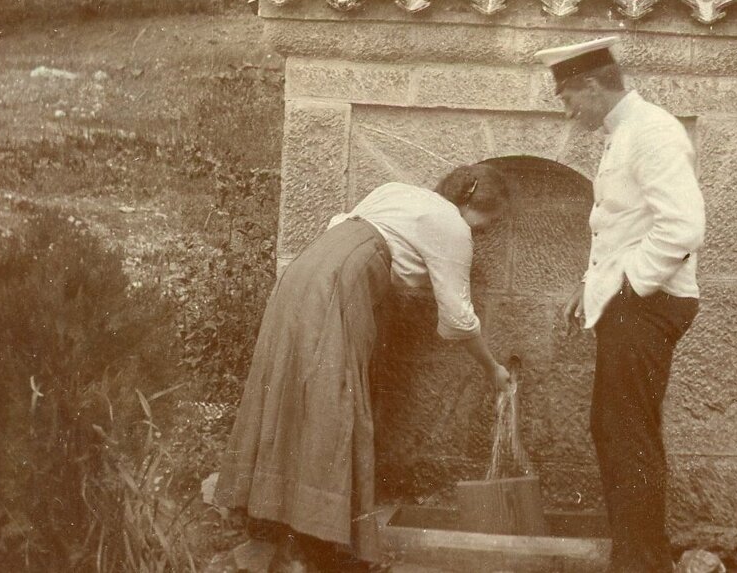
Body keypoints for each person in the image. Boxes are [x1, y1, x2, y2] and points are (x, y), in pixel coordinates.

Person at [214, 164, 513, 572]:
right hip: (341, 283)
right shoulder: (451, 225)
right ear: (470, 203)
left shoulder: (398, 192)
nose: (481, 235)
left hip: (305, 273)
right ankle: (320, 546)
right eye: (485, 226)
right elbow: (457, 320)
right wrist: (492, 368)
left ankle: (278, 530)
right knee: (333, 404)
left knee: (290, 389)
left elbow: (347, 231)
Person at [536, 36, 705, 573]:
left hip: (648, 304)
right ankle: (641, 558)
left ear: (592, 85)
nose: (565, 109)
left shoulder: (652, 131)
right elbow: (624, 228)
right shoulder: (624, 132)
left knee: (624, 432)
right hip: (634, 300)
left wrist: (628, 288)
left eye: (567, 96)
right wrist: (591, 289)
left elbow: (682, 226)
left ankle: (640, 565)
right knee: (619, 429)